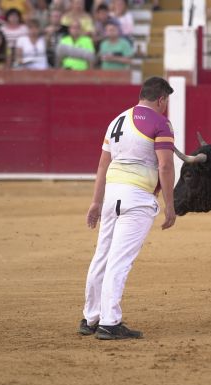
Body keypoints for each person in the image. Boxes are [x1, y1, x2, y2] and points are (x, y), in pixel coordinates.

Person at [79, 76, 176, 340]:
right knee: (119, 261)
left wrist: (96, 202)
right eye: (166, 101)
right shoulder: (160, 122)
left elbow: (102, 165)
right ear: (161, 99)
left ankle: (91, 317)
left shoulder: (116, 121)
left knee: (102, 256)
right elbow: (166, 166)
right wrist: (170, 204)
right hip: (136, 199)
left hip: (111, 195)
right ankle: (109, 323)